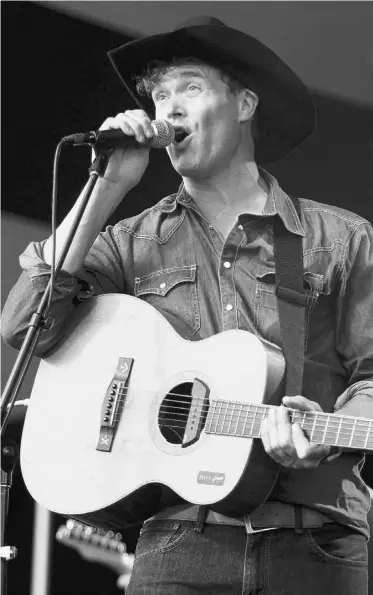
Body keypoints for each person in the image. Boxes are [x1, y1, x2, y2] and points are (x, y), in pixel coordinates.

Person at [2, 16, 373, 595]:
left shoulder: (341, 239)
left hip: (318, 546)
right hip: (177, 545)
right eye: (159, 95)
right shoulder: (128, 241)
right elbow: (25, 326)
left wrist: (333, 431)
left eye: (190, 88)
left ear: (245, 103)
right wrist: (107, 186)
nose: (167, 108)